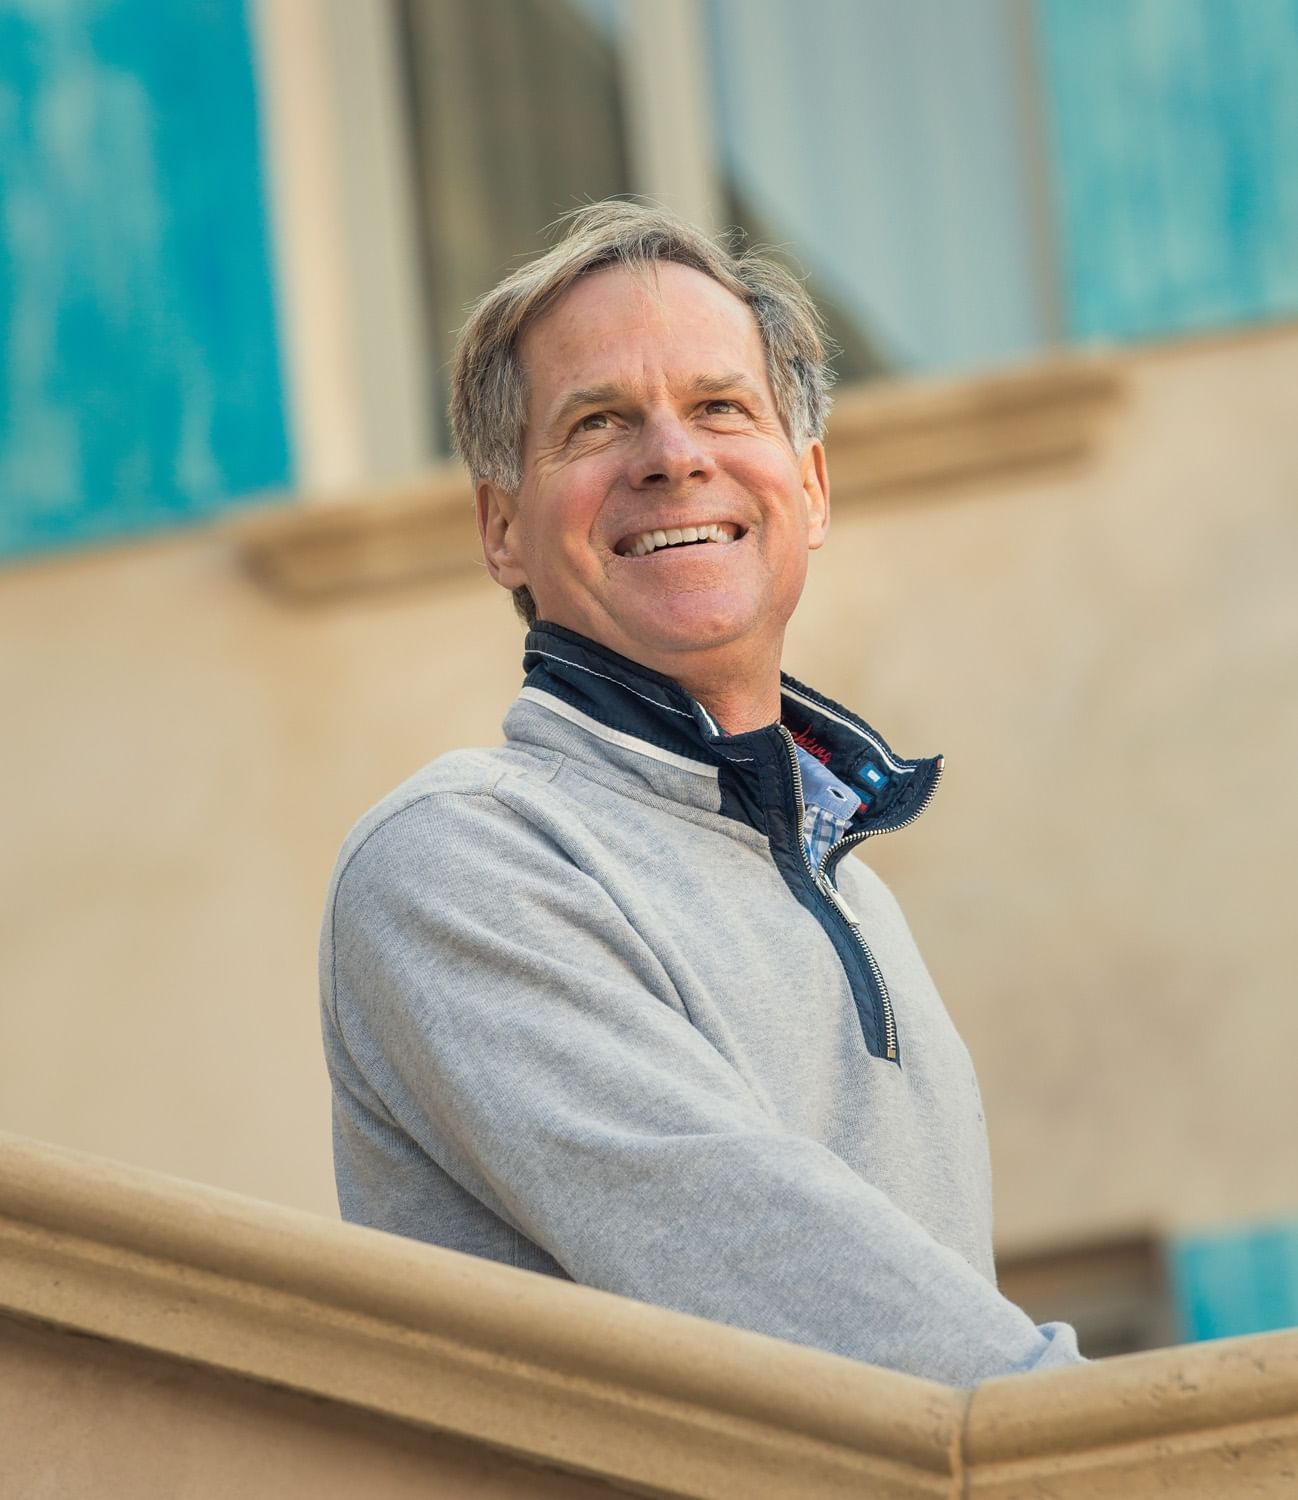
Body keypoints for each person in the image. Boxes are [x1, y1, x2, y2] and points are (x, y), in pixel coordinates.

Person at [319, 200, 1083, 1386]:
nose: (672, 456)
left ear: (810, 488)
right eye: (598, 422)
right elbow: (751, 1250)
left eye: (721, 407)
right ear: (502, 529)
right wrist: (1092, 1444)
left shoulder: (854, 894)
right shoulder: (460, 857)